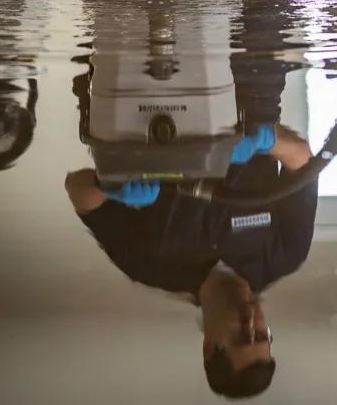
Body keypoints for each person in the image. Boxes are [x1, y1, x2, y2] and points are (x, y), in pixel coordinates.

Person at [64, 122, 314, 399]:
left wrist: (108, 186)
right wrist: (264, 139)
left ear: (209, 346)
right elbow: (301, 160)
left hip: (149, 111)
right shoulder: (287, 253)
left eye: (242, 338)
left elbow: (78, 190)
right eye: (262, 335)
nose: (252, 323)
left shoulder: (149, 266)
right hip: (249, 95)